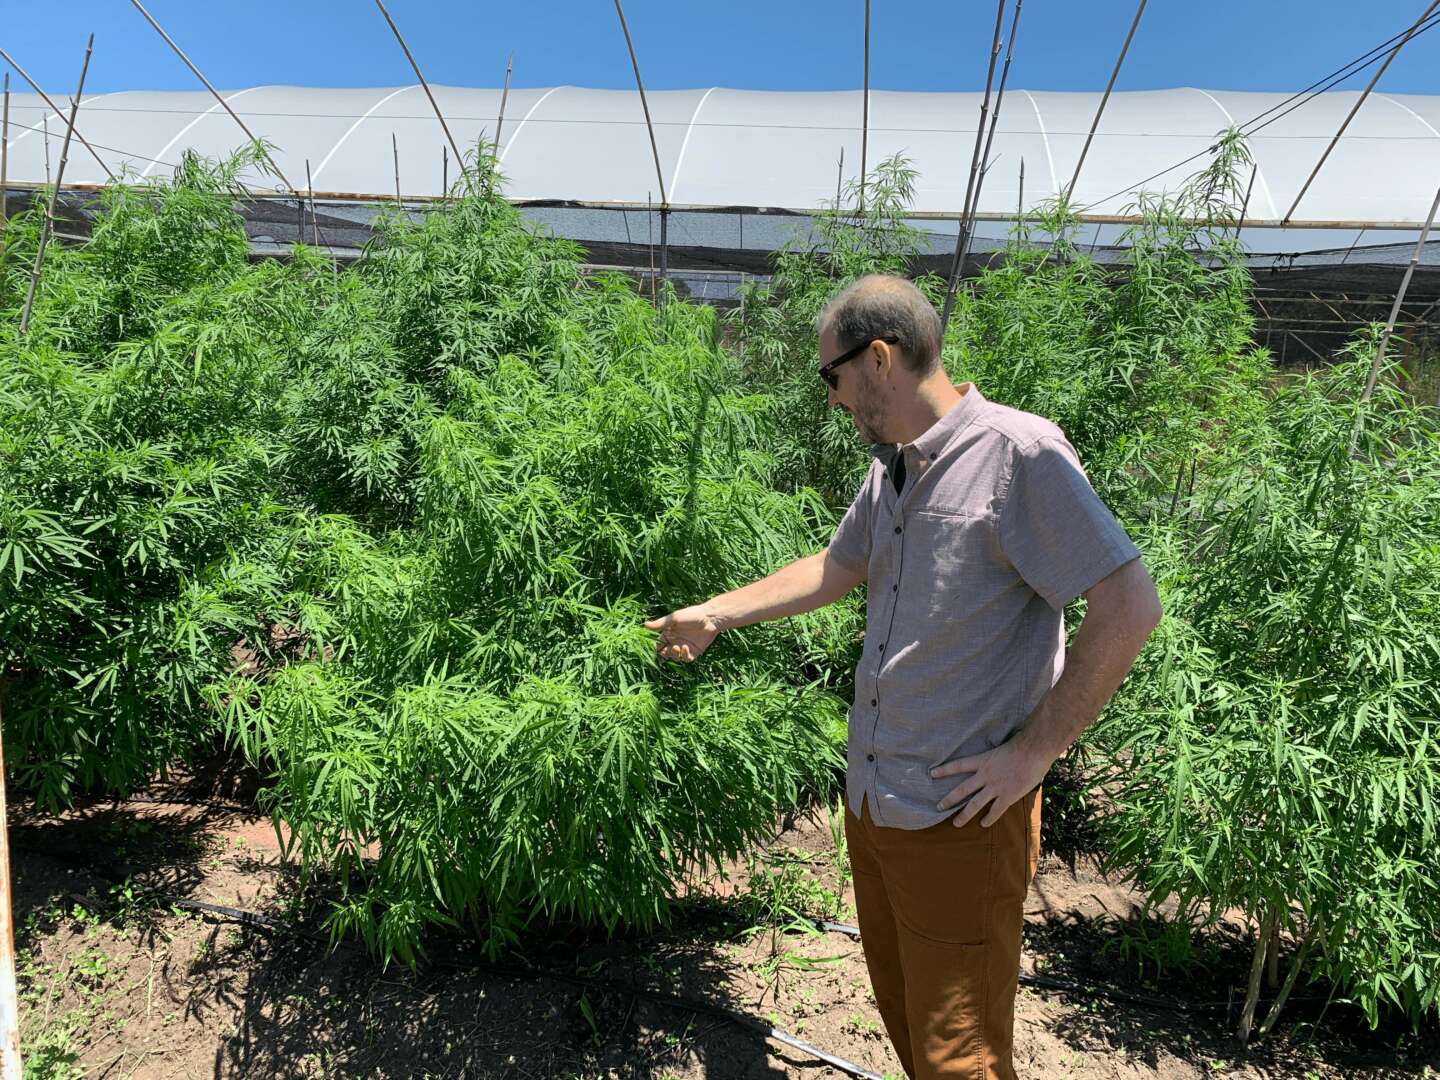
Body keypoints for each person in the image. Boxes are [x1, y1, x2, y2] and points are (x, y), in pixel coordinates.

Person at [644, 273, 1161, 1079]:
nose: (832, 399)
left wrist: (1034, 755)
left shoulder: (1018, 455)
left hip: (960, 819)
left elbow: (1128, 603)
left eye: (834, 377)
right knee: (911, 1033)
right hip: (877, 804)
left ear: (879, 358)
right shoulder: (896, 467)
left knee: (962, 1059)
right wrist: (718, 613)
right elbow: (840, 564)